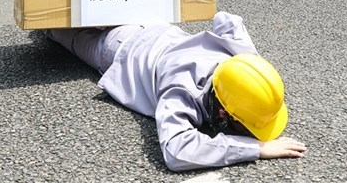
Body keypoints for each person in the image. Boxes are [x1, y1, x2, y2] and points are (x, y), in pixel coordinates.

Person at [47, 11, 306, 172]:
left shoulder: (239, 59)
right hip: (119, 48)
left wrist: (250, 66)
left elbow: (226, 18)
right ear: (224, 114)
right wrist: (254, 149)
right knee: (60, 31)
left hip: (150, 21)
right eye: (245, 127)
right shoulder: (181, 88)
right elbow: (176, 151)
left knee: (77, 9)